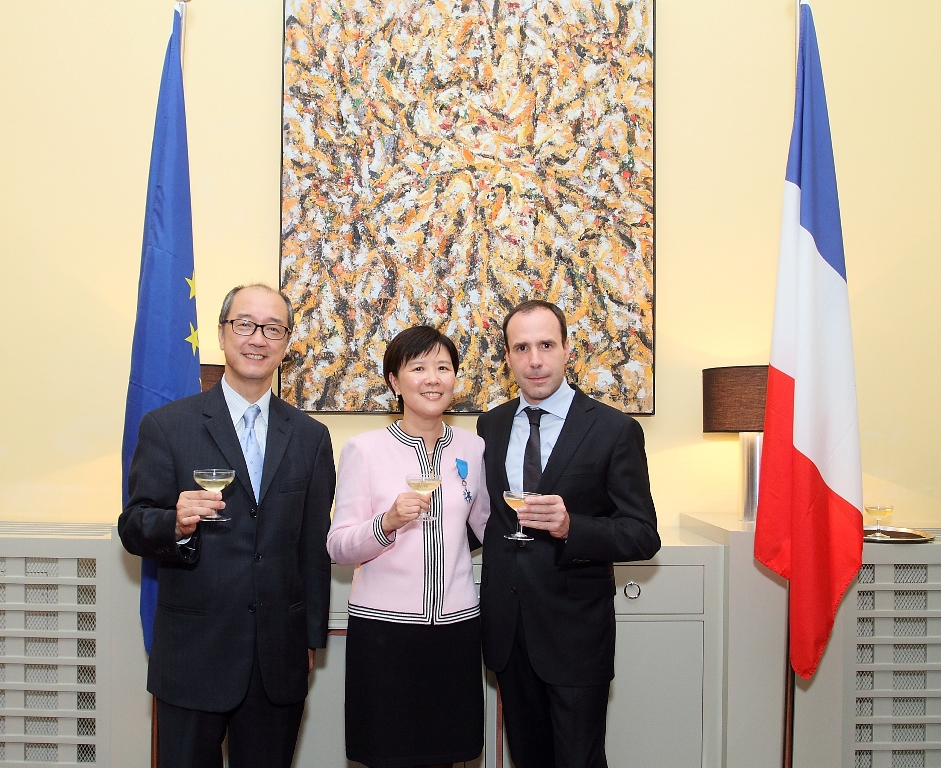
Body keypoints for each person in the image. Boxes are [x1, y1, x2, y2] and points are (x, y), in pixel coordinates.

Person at [118, 284, 336, 768]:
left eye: (273, 328)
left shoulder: (310, 437)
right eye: (245, 324)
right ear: (221, 333)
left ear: (285, 343)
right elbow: (133, 525)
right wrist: (174, 522)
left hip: (277, 660)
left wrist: (310, 640)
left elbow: (312, 550)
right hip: (194, 654)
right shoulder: (167, 426)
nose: (258, 338)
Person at [476, 300, 660, 768]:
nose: (535, 359)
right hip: (510, 633)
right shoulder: (490, 425)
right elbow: (486, 520)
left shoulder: (614, 429)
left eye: (546, 345)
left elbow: (641, 534)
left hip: (575, 637)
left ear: (566, 350)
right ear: (508, 356)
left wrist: (571, 526)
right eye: (522, 347)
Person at [327, 325, 490, 768]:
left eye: (443, 367)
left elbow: (484, 526)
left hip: (457, 631)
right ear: (395, 383)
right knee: (389, 757)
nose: (433, 378)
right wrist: (388, 523)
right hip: (385, 636)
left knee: (449, 756)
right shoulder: (364, 449)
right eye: (418, 368)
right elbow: (338, 546)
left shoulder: (473, 448)